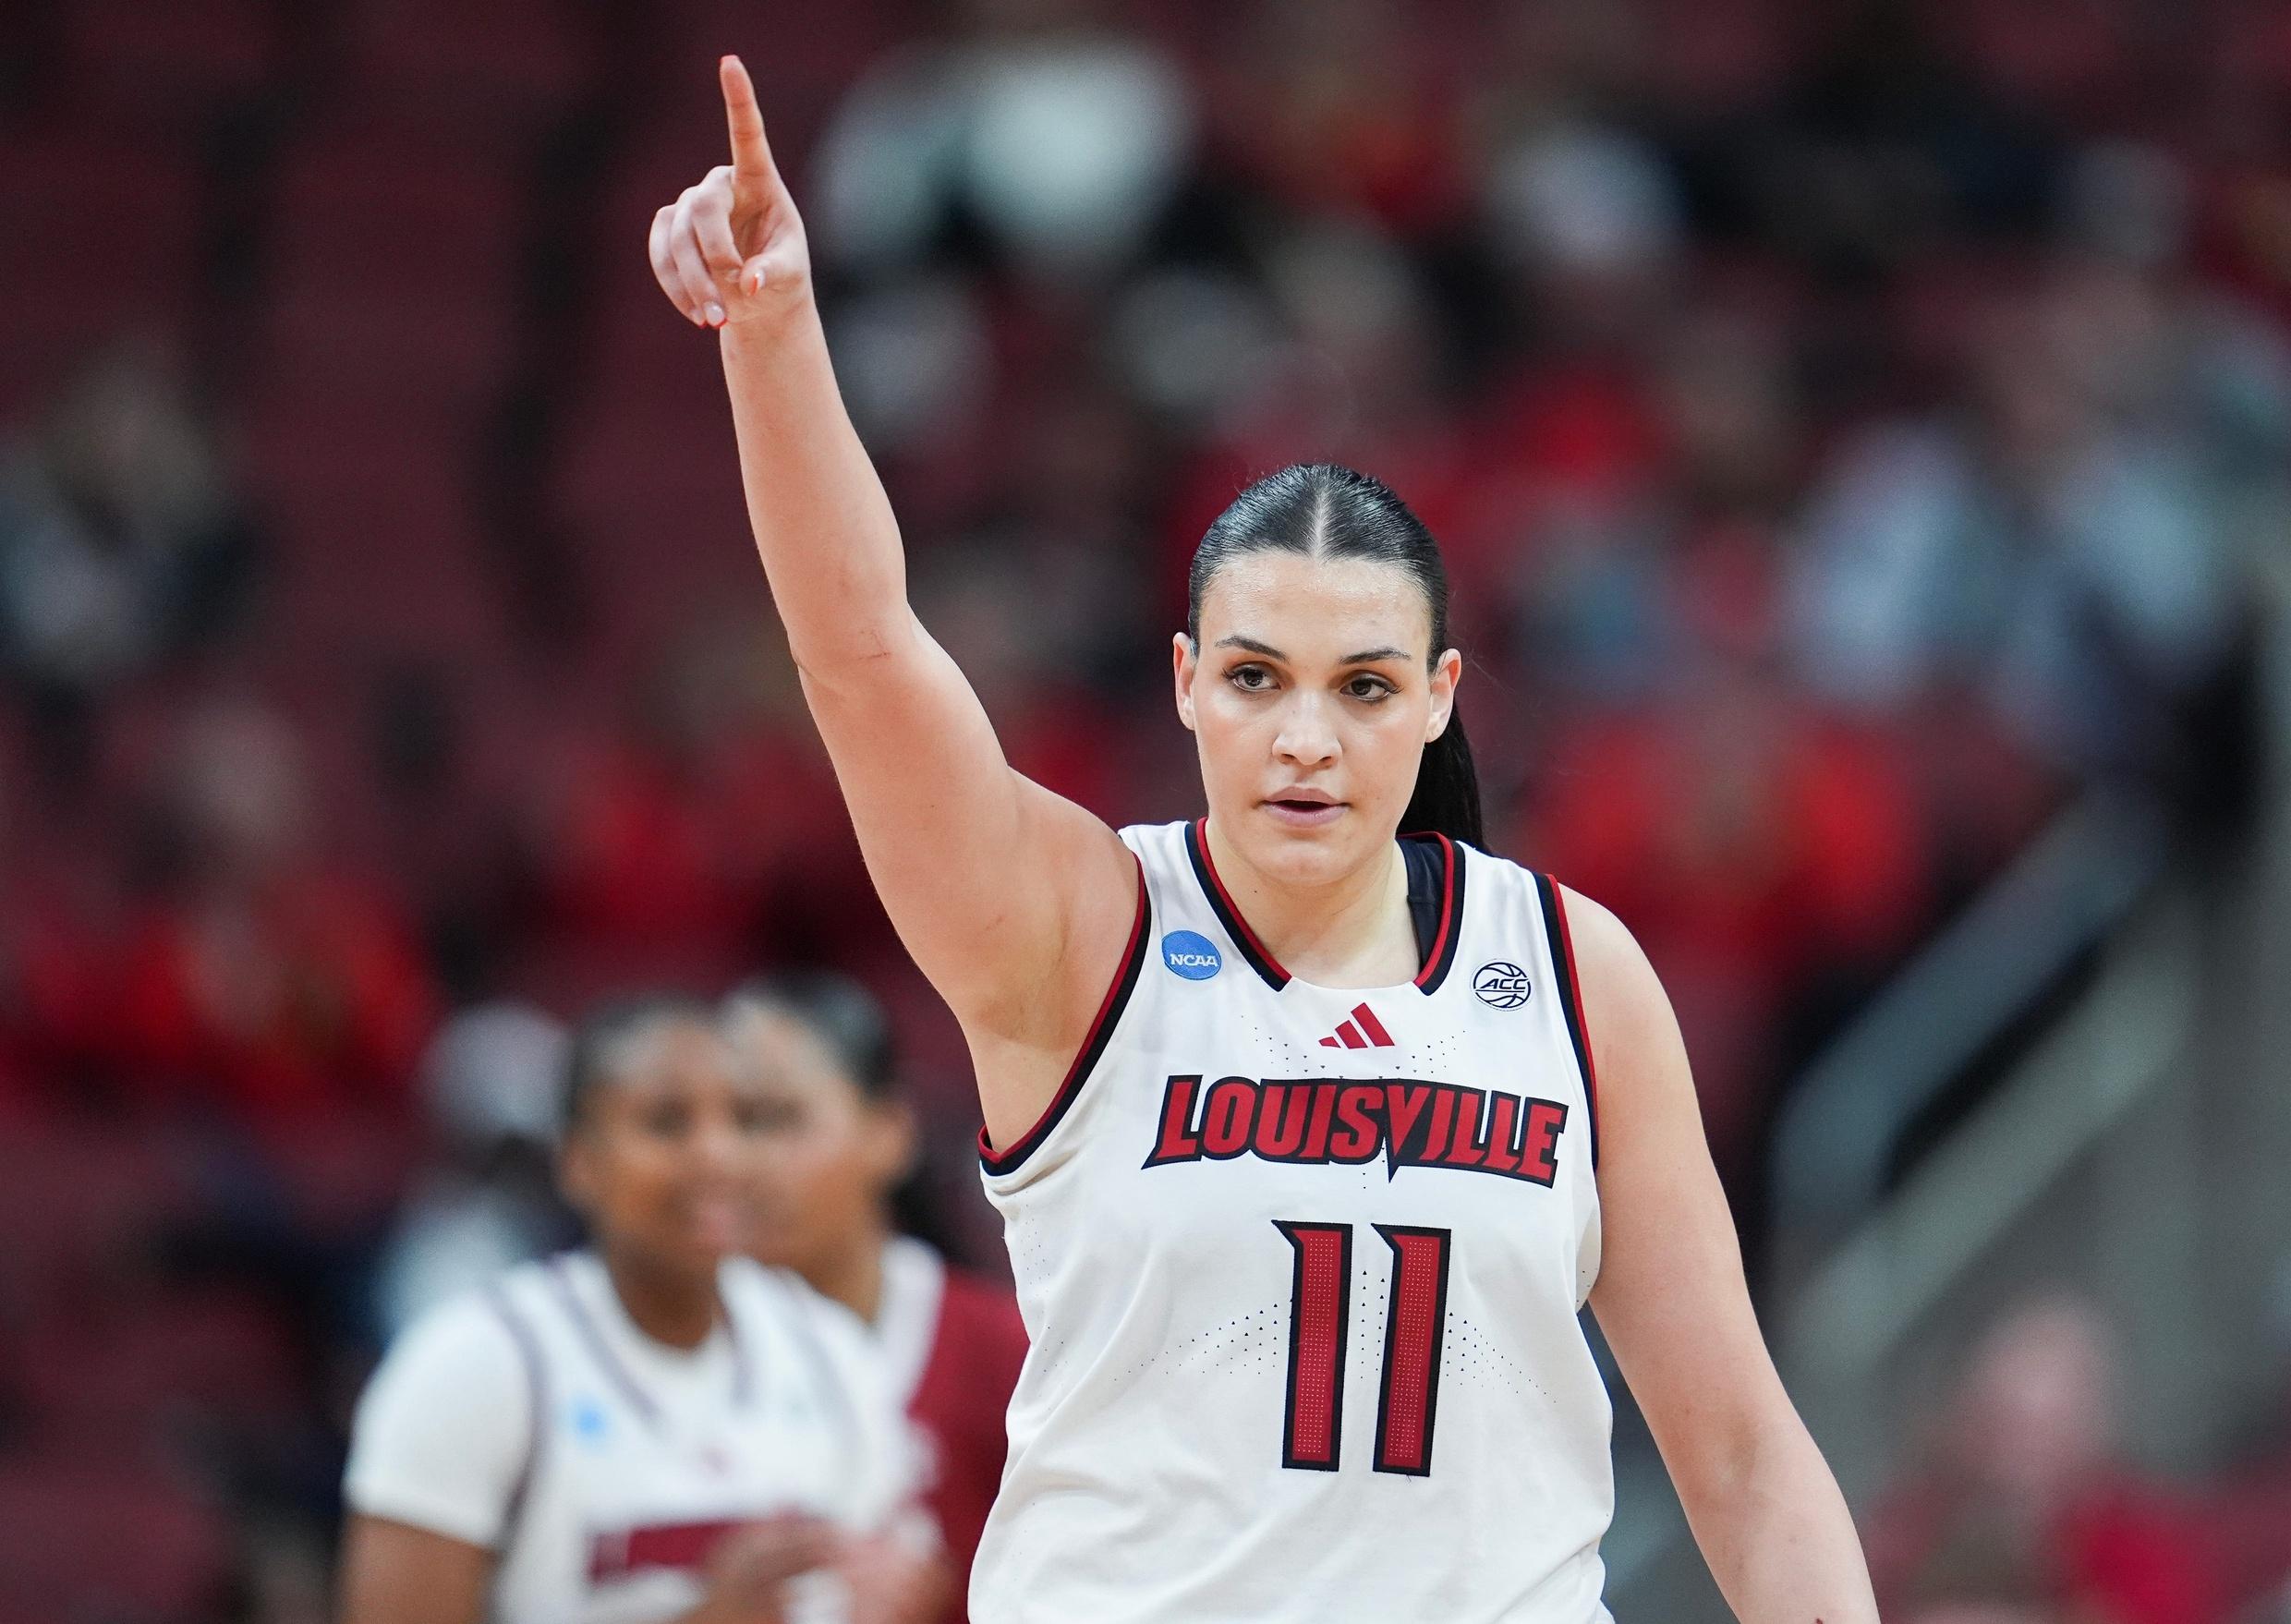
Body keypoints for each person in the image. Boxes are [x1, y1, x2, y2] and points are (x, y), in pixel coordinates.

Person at [645, 55, 1879, 1622]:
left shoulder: (1572, 971)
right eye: (1257, 678)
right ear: (1187, 686)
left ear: (1439, 699)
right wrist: (777, 340)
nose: (1307, 734)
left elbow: (1745, 1456)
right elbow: (864, 650)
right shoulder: (1074, 930)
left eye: (1364, 685)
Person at [336, 994, 946, 1624]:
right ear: (578, 1160)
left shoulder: (830, 1351)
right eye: (666, 1122)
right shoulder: (473, 1364)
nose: (717, 1155)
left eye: (748, 1121)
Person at [723, 974, 1029, 1624]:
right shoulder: (671, 1353)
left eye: (777, 1119)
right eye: (726, 1124)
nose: (736, 1160)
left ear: (889, 1130)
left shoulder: (1004, 1352)